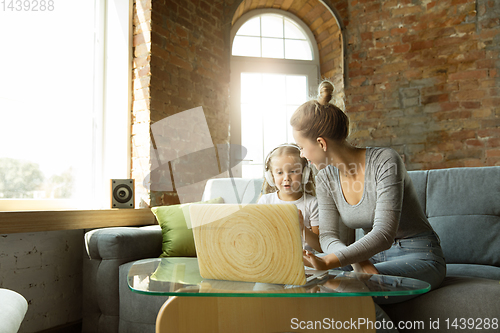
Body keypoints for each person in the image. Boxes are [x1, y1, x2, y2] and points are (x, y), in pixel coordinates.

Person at [290, 80, 446, 292]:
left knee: (348, 286)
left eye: (301, 147)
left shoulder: (385, 160)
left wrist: (329, 262)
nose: (301, 155)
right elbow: (328, 237)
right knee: (306, 278)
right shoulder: (326, 177)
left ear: (321, 143)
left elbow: (383, 233)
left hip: (417, 254)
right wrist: (359, 262)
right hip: (366, 257)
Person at [258, 144, 322, 253]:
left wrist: (301, 228)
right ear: (271, 176)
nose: (286, 178)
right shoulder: (265, 202)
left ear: (304, 174)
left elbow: (320, 247)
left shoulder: (312, 204)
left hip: (303, 262)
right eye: (279, 172)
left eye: (293, 171)